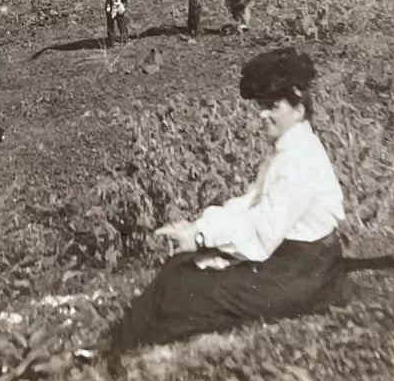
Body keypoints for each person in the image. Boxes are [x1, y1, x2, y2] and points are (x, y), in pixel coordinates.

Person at [106, 47, 350, 371]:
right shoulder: (287, 147)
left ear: (299, 106)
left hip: (306, 272)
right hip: (291, 259)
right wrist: (197, 229)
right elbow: (252, 203)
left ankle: (125, 355)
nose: (263, 115)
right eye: (261, 107)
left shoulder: (300, 160)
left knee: (186, 290)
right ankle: (118, 344)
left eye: (272, 106)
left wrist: (203, 238)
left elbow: (263, 232)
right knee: (179, 268)